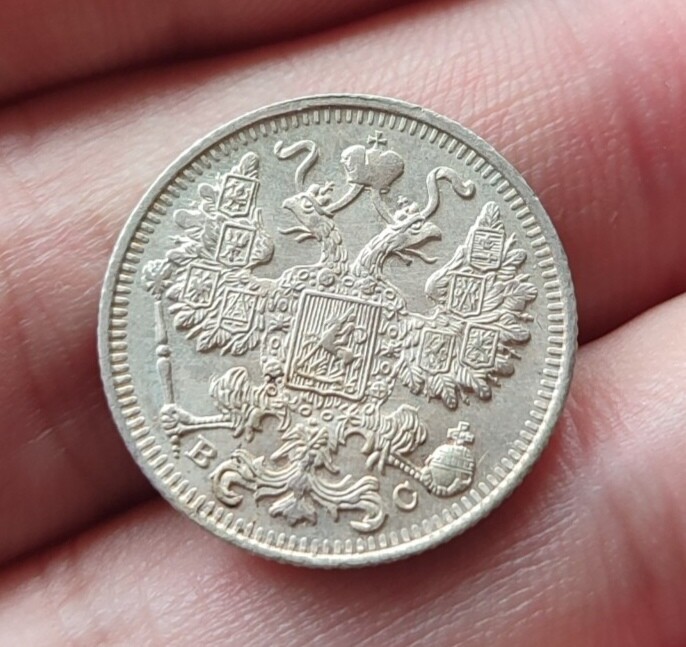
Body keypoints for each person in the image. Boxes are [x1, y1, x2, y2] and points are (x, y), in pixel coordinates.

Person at [0, 0, 685, 644]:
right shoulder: (298, 282)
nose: (335, 208)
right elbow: (203, 272)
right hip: (285, 428)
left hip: (359, 444)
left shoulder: (378, 297)